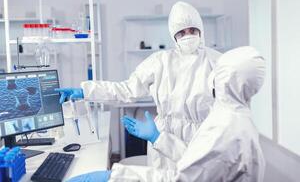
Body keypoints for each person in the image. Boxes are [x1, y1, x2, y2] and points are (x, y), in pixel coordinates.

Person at [56, 1, 220, 169]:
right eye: (182, 32)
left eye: (192, 30)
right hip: (163, 137)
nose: (188, 36)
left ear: (201, 30)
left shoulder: (217, 61)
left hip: (203, 136)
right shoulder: (160, 61)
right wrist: (86, 91)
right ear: (174, 36)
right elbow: (126, 89)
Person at [67, 46, 266, 182]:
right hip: (171, 139)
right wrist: (158, 137)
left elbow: (181, 178)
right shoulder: (235, 118)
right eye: (182, 31)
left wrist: (113, 176)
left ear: (222, 76)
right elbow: (196, 162)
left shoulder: (224, 128)